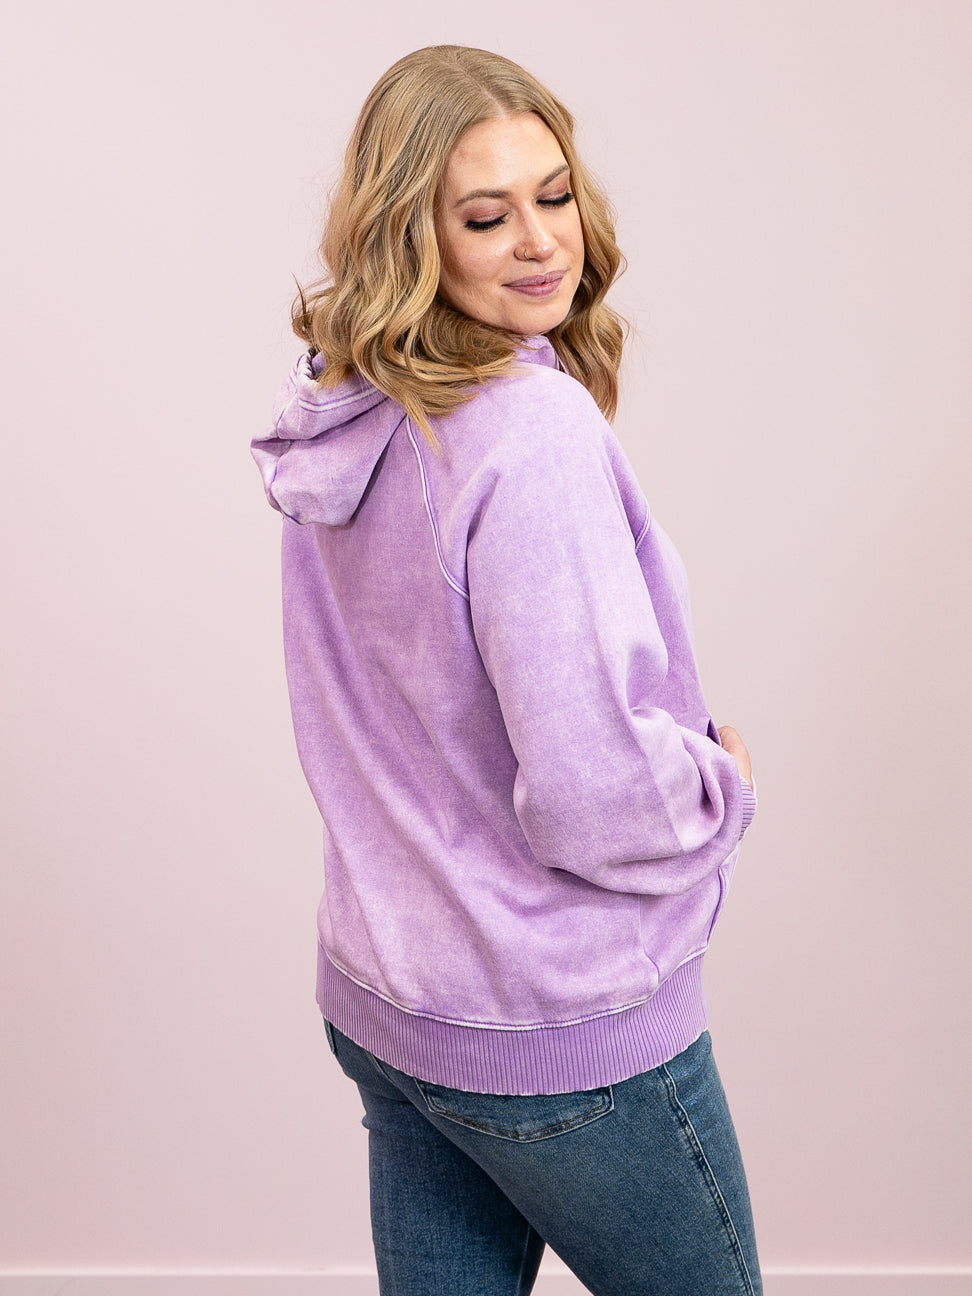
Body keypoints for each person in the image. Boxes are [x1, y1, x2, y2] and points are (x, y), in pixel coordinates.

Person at [252, 44, 762, 1296]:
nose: (540, 241)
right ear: (411, 235)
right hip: (556, 1028)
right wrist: (719, 787)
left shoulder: (350, 405)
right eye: (486, 216)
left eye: (554, 194)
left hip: (392, 1002)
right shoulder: (530, 434)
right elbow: (594, 791)